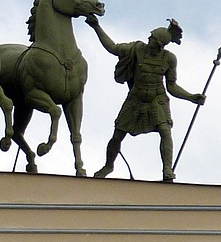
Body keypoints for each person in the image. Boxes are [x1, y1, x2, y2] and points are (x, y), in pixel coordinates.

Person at [85, 17, 206, 182]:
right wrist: (96, 27)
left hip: (157, 100)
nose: (148, 40)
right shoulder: (137, 49)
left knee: (165, 131)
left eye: (152, 39)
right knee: (118, 134)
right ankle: (109, 165)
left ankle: (167, 169)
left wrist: (191, 97)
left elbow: (172, 86)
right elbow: (113, 48)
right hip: (135, 98)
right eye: (150, 37)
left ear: (159, 44)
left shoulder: (169, 59)